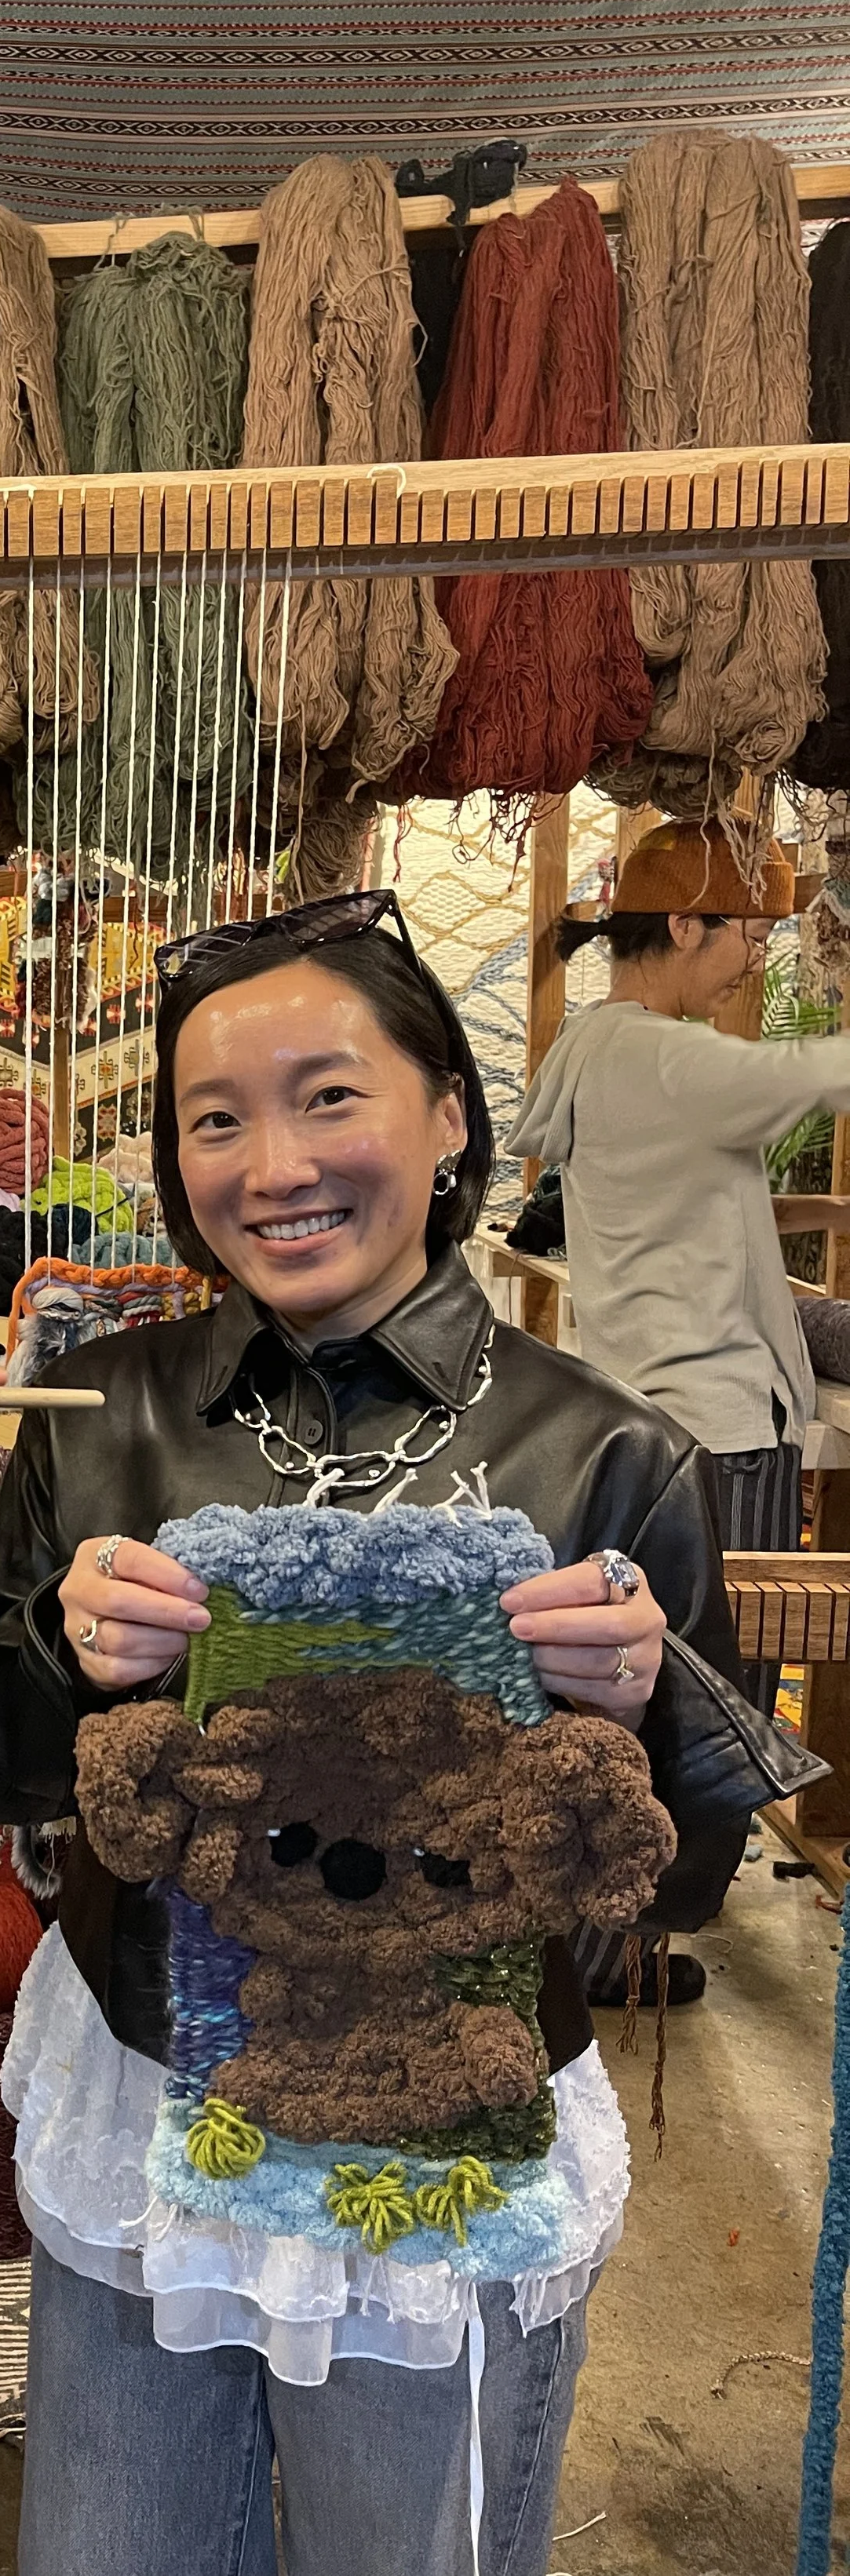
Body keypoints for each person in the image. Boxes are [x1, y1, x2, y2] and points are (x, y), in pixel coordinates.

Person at [0, 888, 752, 2576]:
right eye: (212, 1118)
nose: (270, 1163)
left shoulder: (606, 1458)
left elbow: (681, 1888)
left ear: (445, 1115)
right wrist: (59, 1651)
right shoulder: (103, 1421)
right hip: (151, 2108)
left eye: (328, 1095)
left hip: (439, 2162)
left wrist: (632, 1710)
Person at [513, 818, 850, 2002]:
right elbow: (824, 1071)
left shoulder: (602, 1050)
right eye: (745, 928)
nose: (758, 951)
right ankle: (618, 1950)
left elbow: (700, 1194)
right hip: (715, 1423)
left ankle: (610, 1941)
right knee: (711, 1709)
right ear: (685, 927)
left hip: (648, 1410)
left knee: (654, 1689)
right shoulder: (669, 1058)